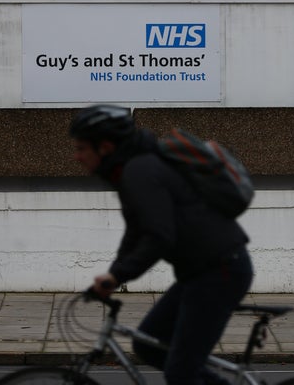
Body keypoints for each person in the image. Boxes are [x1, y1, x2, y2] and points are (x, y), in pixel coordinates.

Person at [69, 104, 253, 385]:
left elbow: (158, 235)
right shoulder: (132, 170)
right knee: (148, 346)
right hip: (202, 271)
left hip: (220, 271)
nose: (77, 156)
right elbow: (136, 231)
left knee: (181, 372)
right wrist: (115, 274)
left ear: (105, 147)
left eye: (82, 148)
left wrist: (119, 274)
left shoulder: (139, 171)